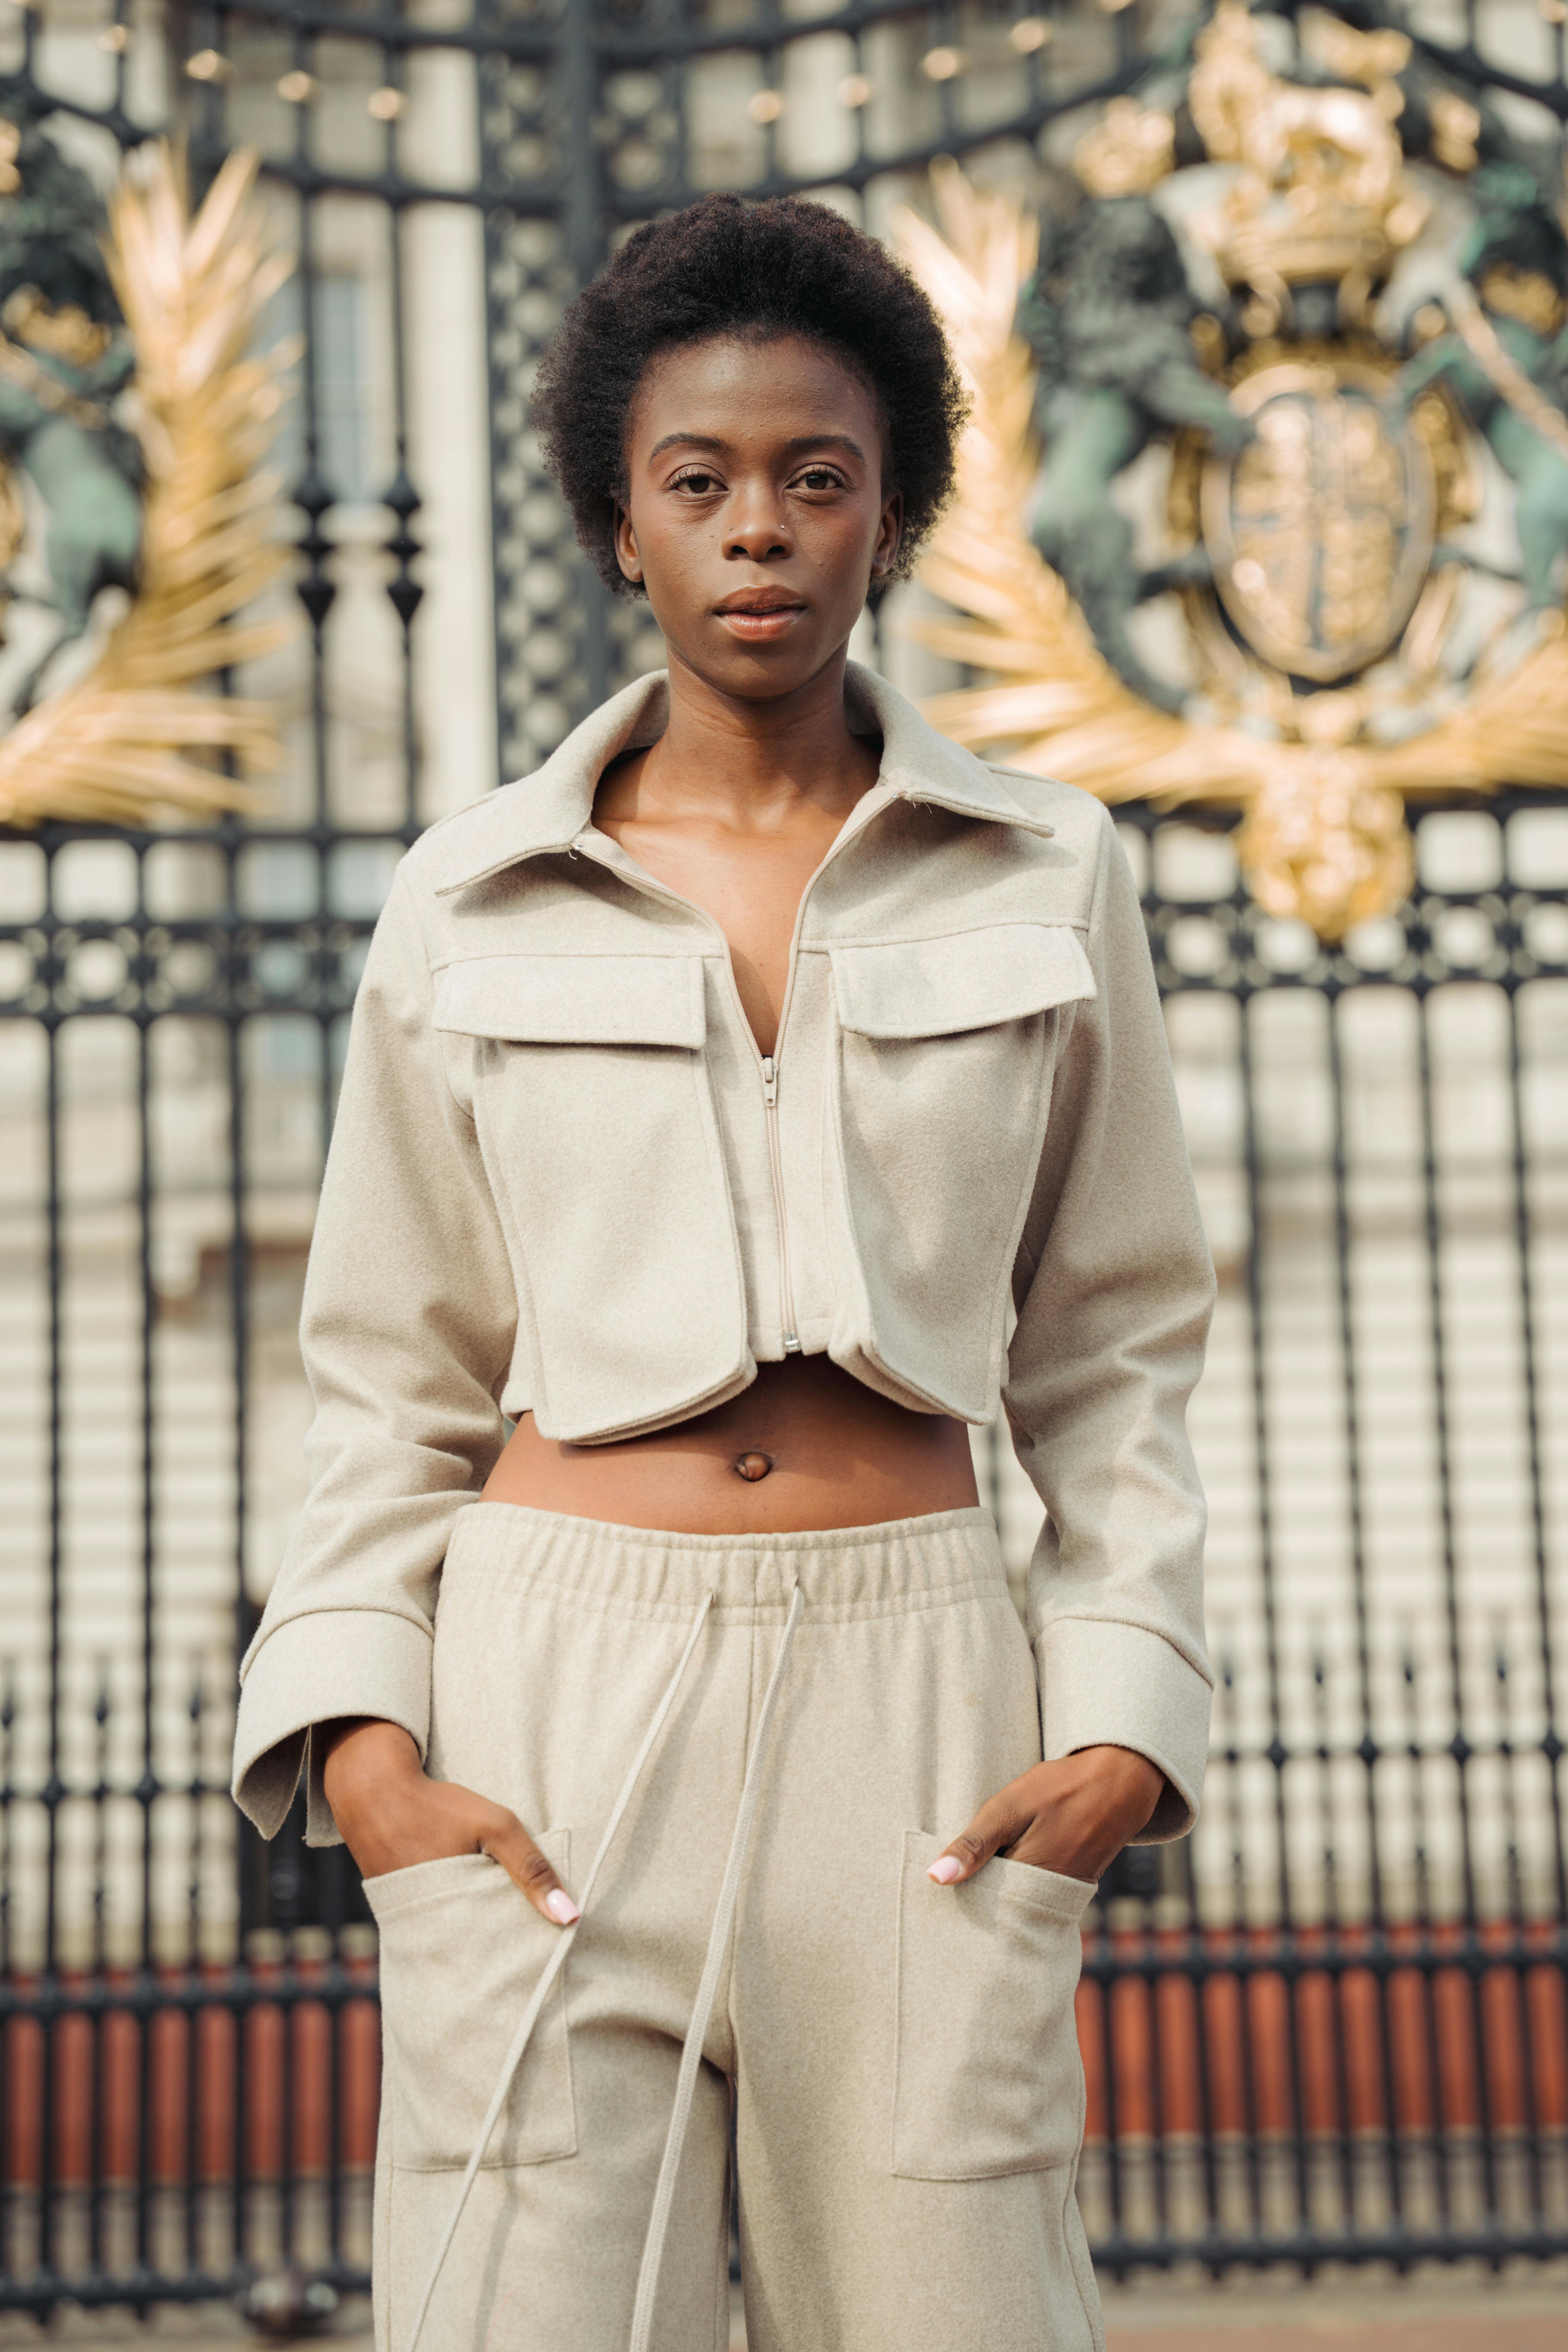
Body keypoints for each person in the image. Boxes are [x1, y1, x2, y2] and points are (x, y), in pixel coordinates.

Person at [231, 192, 1215, 2352]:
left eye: (815, 477)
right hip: (553, 1714)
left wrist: (1122, 1713)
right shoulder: (467, 898)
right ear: (619, 523)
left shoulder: (1055, 865)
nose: (756, 529)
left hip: (926, 1715)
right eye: (699, 483)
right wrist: (370, 1749)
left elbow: (1115, 1337)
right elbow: (389, 1371)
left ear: (892, 519)